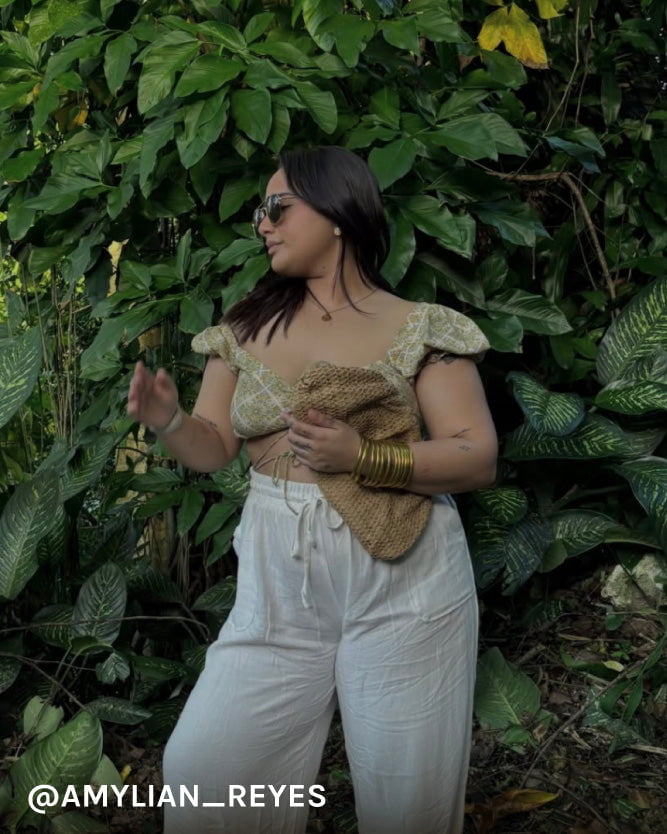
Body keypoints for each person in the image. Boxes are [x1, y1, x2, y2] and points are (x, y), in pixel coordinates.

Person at [126, 146, 498, 834]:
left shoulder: (419, 325)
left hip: (403, 578)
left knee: (405, 802)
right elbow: (213, 447)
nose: (262, 224)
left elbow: (475, 457)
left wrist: (362, 456)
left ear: (336, 212)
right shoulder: (244, 327)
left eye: (277, 207)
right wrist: (169, 420)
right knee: (208, 770)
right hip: (276, 588)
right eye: (258, 213)